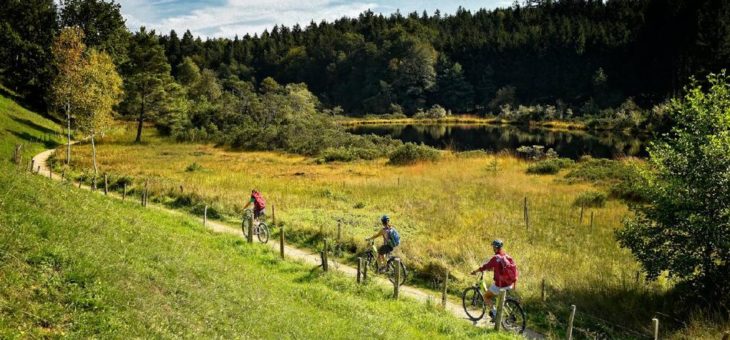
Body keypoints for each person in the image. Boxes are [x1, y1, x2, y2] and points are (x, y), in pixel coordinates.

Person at [470, 239, 518, 320]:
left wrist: (475, 271)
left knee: (486, 296)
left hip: (500, 285)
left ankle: (495, 314)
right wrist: (493, 269)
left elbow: (485, 266)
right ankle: (503, 310)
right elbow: (503, 268)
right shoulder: (506, 256)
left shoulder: (495, 258)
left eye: (493, 246)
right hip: (510, 284)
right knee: (499, 298)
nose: (492, 248)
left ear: (495, 247)